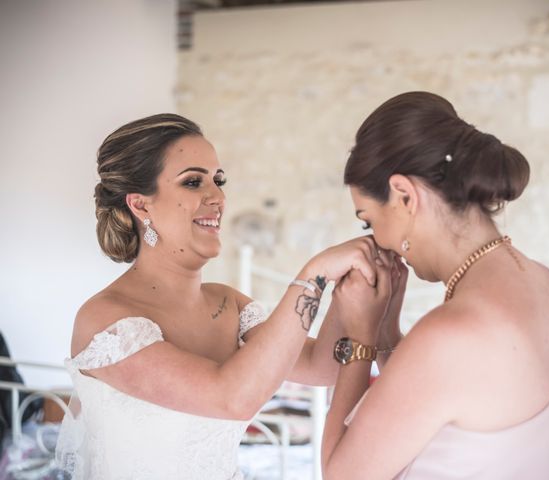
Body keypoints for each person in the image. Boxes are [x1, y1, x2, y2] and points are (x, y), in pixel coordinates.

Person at [321, 91, 549, 480]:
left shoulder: (452, 333)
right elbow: (438, 399)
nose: (378, 240)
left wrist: (360, 337)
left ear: (404, 196)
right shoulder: (545, 283)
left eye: (367, 221)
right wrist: (387, 329)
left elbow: (343, 475)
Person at [54, 113, 383, 479]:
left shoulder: (229, 305)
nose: (218, 197)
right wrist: (313, 274)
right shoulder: (105, 320)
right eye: (193, 182)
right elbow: (232, 398)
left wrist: (348, 284)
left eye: (219, 180)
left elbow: (323, 367)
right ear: (141, 205)